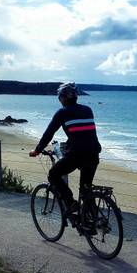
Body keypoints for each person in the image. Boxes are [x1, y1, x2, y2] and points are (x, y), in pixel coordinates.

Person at [29, 82, 101, 222]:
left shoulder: (62, 112)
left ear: (62, 98)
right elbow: (84, 133)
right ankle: (93, 221)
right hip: (93, 153)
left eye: (60, 97)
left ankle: (71, 203)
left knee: (53, 175)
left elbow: (49, 134)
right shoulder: (88, 110)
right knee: (85, 189)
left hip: (78, 155)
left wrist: (37, 150)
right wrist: (69, 143)